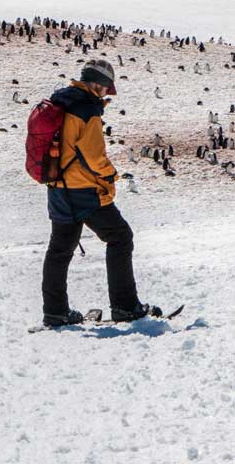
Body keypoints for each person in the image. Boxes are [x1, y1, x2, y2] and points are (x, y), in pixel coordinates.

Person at [41, 59, 152, 327]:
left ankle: (55, 312)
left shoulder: (63, 101)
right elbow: (92, 155)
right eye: (104, 89)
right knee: (120, 237)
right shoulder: (87, 108)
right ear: (95, 84)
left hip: (58, 186)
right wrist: (111, 175)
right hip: (83, 189)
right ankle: (125, 307)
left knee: (60, 248)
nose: (105, 95)